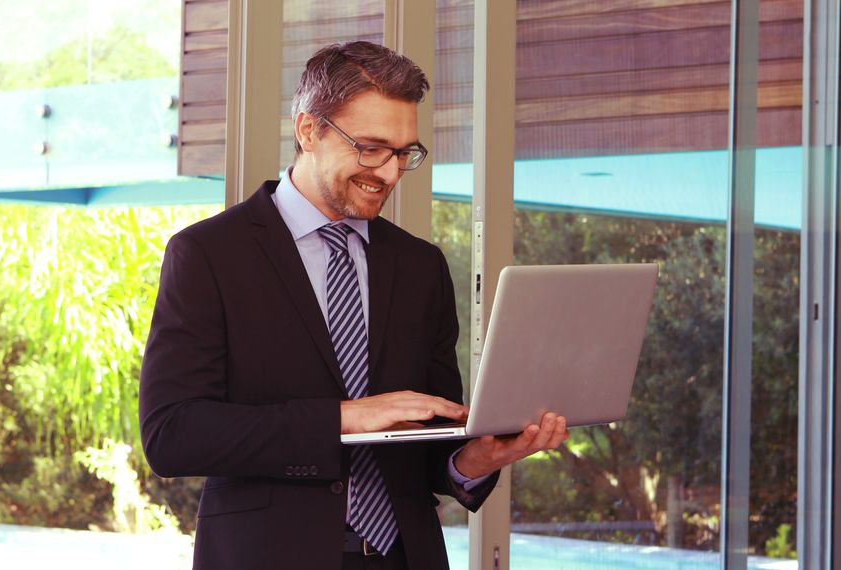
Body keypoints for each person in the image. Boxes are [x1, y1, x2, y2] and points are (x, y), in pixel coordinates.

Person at [139, 41, 568, 570]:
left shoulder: (420, 267)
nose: (389, 173)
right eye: (371, 147)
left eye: (404, 152)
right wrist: (343, 419)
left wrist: (475, 459)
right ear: (309, 130)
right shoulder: (208, 255)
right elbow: (172, 435)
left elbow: (427, 441)